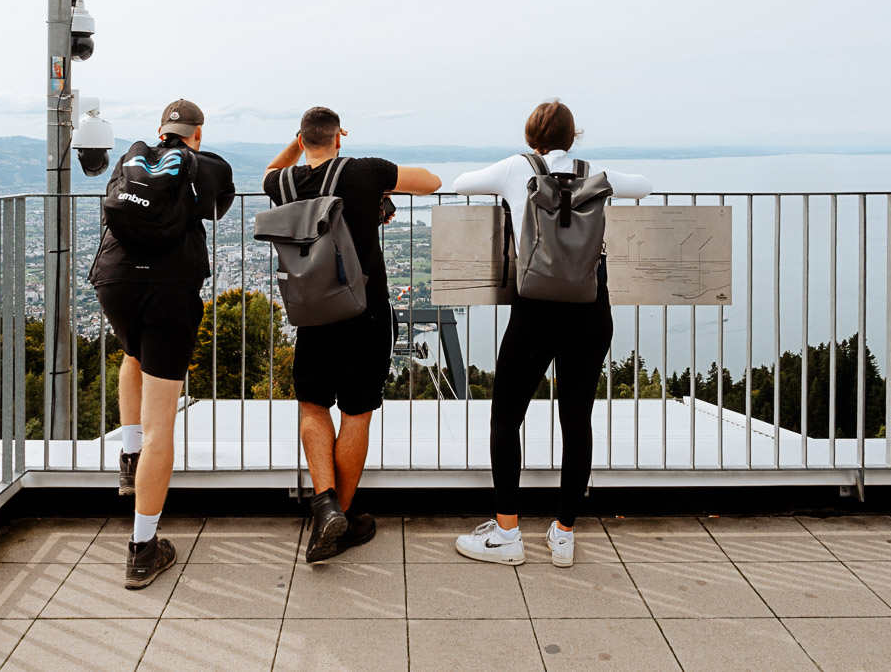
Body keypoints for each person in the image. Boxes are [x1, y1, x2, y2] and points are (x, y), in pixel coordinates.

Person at [450, 99, 650, 567]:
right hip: (589, 309)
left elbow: (460, 184)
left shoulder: (516, 169)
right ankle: (563, 535)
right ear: (573, 136)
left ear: (530, 137)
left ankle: (507, 532)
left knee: (507, 417)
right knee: (576, 420)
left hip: (535, 309)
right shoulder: (594, 172)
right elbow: (644, 186)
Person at [263, 107, 441, 561]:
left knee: (312, 404)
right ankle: (340, 514)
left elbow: (272, 169)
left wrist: (297, 143)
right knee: (356, 413)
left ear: (302, 140)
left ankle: (323, 505)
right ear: (338, 138)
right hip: (365, 311)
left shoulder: (282, 184)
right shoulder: (365, 173)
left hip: (313, 313)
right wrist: (379, 188)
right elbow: (432, 182)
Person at [88, 99, 235, 588]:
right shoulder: (202, 166)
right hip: (169, 290)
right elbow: (218, 205)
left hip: (114, 285)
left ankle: (129, 458)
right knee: (162, 428)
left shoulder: (133, 162)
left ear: (160, 131)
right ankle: (143, 547)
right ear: (197, 134)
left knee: (133, 354)